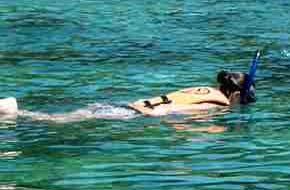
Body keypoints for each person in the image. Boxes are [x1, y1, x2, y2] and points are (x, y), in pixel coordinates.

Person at [0, 69, 256, 122]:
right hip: (130, 113)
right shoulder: (217, 103)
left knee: (67, 115)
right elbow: (176, 112)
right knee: (57, 120)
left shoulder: (203, 88)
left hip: (125, 105)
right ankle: (11, 111)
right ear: (234, 94)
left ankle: (12, 110)